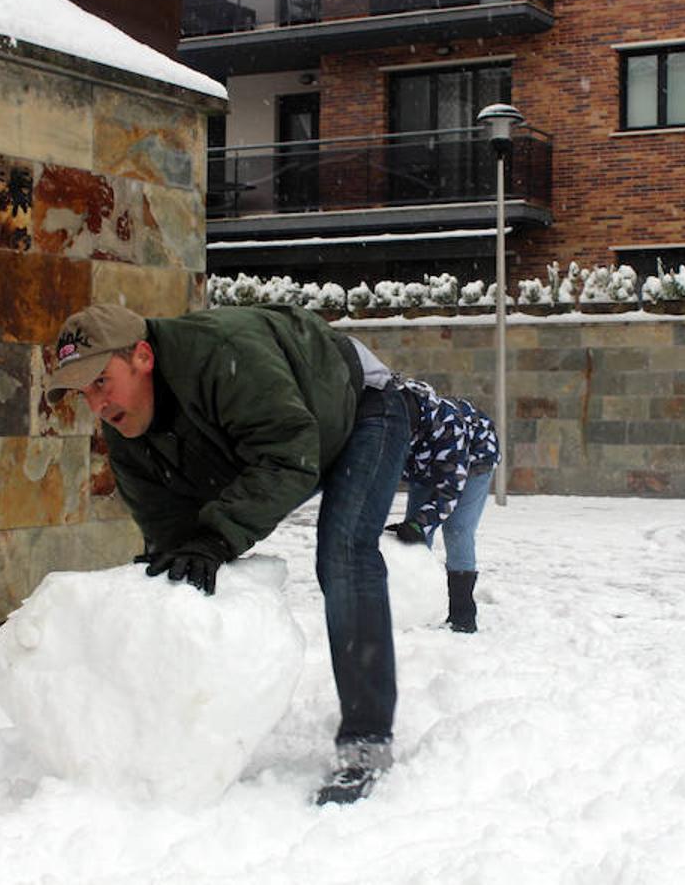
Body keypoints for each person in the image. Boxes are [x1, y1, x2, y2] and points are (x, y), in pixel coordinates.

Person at [44, 303, 411, 805]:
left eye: (101, 382)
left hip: (365, 406)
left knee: (344, 552)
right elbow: (169, 530)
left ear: (143, 357)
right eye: (83, 393)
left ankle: (367, 743)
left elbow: (289, 455)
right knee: (184, 566)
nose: (97, 405)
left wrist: (217, 537)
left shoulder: (221, 355)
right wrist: (186, 552)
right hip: (294, 433)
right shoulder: (126, 427)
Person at [384, 377, 500, 633]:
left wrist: (421, 523)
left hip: (474, 459)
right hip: (424, 466)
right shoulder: (386, 418)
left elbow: (449, 489)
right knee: (414, 532)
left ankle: (462, 615)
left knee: (457, 529)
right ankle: (415, 608)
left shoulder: (448, 426)